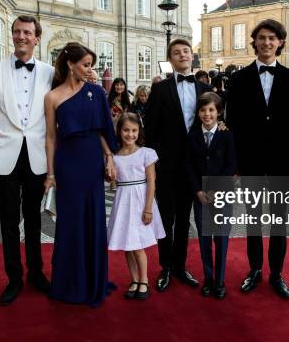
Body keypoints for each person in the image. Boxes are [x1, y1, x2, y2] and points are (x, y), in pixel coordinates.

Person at [0, 15, 54, 306]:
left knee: (34, 219)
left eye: (27, 33)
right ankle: (13, 278)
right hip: (4, 154)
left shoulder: (48, 72)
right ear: (12, 36)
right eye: (17, 32)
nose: (21, 37)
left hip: (36, 155)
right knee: (8, 221)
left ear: (37, 38)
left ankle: (36, 272)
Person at [226, 19, 289, 299]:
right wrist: (234, 162)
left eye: (272, 38)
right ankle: (255, 270)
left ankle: (277, 274)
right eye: (262, 38)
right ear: (255, 42)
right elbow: (232, 122)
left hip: (281, 162)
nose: (267, 43)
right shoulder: (239, 79)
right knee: (254, 221)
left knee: (279, 222)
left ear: (280, 42)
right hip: (250, 162)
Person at [44, 42, 118, 307]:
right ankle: (69, 283)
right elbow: (51, 138)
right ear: (70, 64)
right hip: (67, 163)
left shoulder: (96, 92)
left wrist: (109, 158)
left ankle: (93, 280)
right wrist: (51, 174)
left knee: (94, 220)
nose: (90, 70)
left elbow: (101, 130)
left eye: (91, 65)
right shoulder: (52, 97)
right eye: (85, 65)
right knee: (70, 224)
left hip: (91, 162)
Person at [144, 38, 212, 292]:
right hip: (166, 165)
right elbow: (150, 129)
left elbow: (214, 122)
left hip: (193, 165)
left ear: (191, 57)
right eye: (176, 52)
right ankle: (166, 267)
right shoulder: (160, 90)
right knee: (166, 217)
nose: (182, 55)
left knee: (184, 219)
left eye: (186, 51)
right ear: (170, 59)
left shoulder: (205, 88)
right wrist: (152, 162)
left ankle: (181, 267)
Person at [107, 113, 165, 301]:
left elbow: (152, 183)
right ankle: (134, 279)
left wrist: (148, 209)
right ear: (119, 131)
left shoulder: (146, 153)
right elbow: (111, 181)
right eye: (126, 130)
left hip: (140, 202)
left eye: (134, 130)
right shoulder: (114, 156)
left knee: (138, 244)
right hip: (123, 202)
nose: (130, 134)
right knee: (127, 245)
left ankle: (144, 280)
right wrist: (110, 176)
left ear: (139, 131)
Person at [185, 92, 236, 299]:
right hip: (200, 197)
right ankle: (208, 279)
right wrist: (198, 190)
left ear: (219, 113)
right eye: (203, 110)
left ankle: (220, 280)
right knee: (205, 239)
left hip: (222, 195)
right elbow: (188, 165)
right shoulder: (193, 136)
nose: (207, 114)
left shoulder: (226, 135)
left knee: (221, 238)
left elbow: (231, 165)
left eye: (211, 110)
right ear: (198, 113)